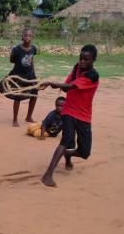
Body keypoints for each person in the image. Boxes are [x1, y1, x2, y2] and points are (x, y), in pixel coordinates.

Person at [40, 45, 99, 187]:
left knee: (85, 153)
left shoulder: (93, 76)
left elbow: (71, 87)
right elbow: (67, 86)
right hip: (68, 110)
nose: (82, 62)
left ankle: (69, 155)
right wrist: (59, 85)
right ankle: (48, 175)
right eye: (81, 58)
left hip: (84, 115)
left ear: (93, 60)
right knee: (66, 140)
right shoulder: (76, 68)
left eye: (86, 59)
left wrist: (53, 83)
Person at [0, 28, 38, 127]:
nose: (27, 37)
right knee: (17, 96)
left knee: (34, 94)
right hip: (18, 75)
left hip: (30, 75)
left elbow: (31, 61)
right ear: (22, 36)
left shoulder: (33, 48)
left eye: (29, 36)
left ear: (32, 37)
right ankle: (15, 119)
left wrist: (34, 75)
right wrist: (12, 54)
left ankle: (29, 116)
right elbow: (12, 61)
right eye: (25, 35)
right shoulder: (16, 49)